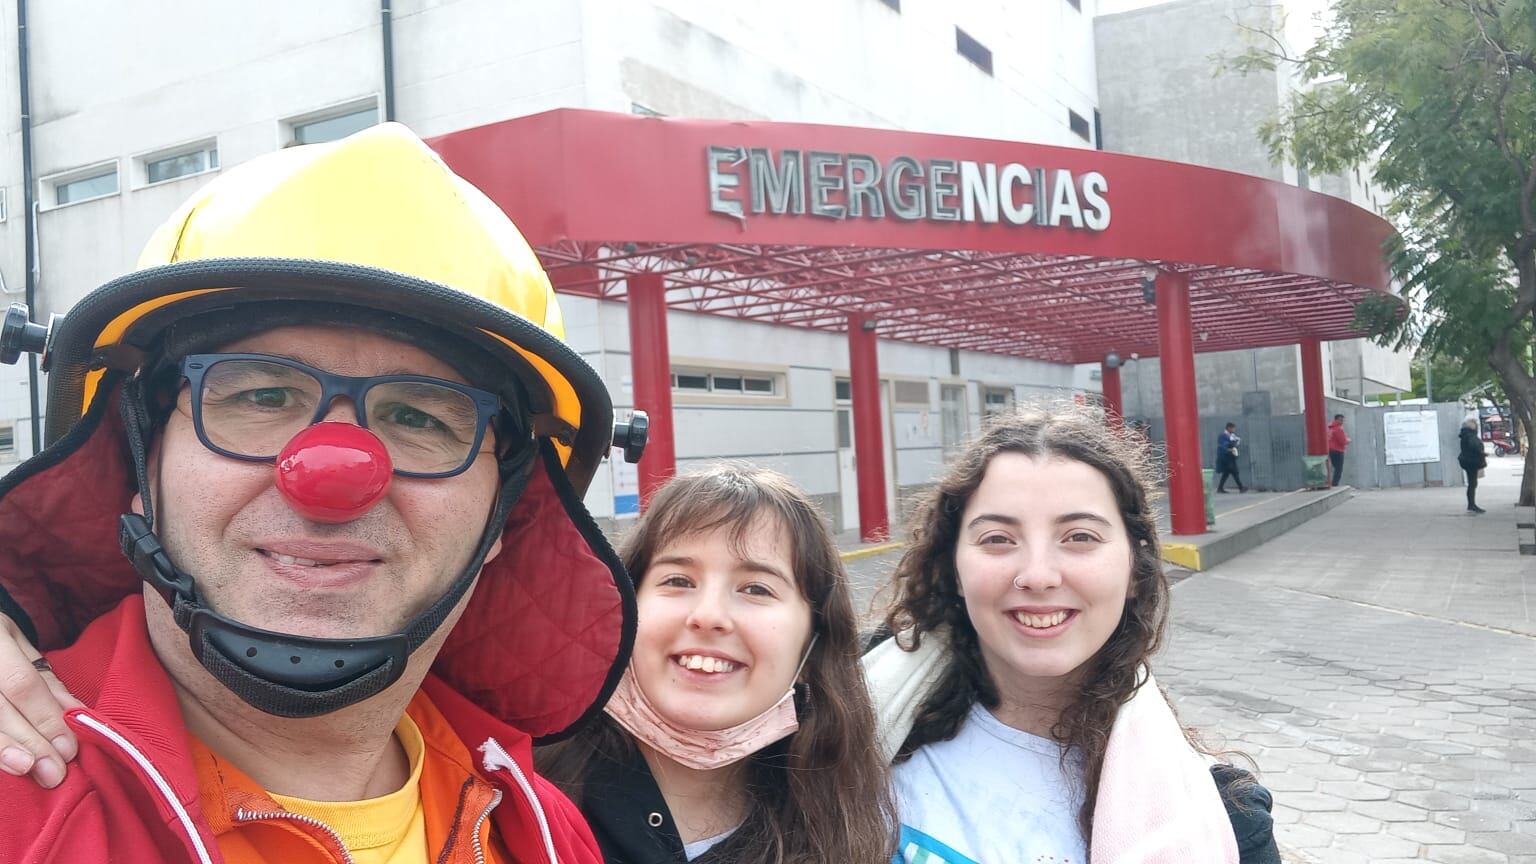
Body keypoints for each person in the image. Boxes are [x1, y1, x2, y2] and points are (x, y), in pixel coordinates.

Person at [0, 124, 634, 862]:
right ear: (139, 467)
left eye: (418, 417)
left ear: (504, 514)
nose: (330, 474)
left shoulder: (547, 835)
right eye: (263, 396)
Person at [864, 404, 1279, 864]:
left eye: (1080, 536)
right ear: (955, 570)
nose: (1037, 576)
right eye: (998, 539)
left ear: (1135, 571)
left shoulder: (1222, 822)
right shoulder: (845, 711)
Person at [537, 465, 896, 863]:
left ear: (813, 643)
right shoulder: (509, 793)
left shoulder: (847, 832)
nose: (708, 616)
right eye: (678, 581)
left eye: (756, 588)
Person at [1459, 417, 1488, 514]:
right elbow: (1474, 445)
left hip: (1467, 461)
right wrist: (1481, 453)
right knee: (1472, 483)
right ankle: (1471, 505)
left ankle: (1471, 504)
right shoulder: (1470, 435)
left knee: (1472, 483)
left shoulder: (1465, 434)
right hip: (1471, 461)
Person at [1216, 422, 1246, 493]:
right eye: (1233, 428)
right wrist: (1229, 448)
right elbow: (1223, 446)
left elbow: (1233, 444)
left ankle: (1220, 488)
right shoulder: (1223, 436)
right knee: (1235, 472)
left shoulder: (1231, 435)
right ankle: (1241, 487)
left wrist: (1236, 442)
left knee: (1226, 473)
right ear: (1229, 428)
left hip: (1230, 456)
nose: (1234, 430)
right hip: (1226, 457)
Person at [1327, 414, 1349, 487]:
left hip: (1331, 450)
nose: (1342, 421)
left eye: (1342, 420)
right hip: (1338, 450)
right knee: (1339, 469)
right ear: (1336, 419)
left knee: (1335, 467)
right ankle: (1335, 484)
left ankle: (1332, 483)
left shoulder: (1330, 428)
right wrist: (1348, 440)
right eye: (1340, 420)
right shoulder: (1338, 429)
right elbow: (1342, 441)